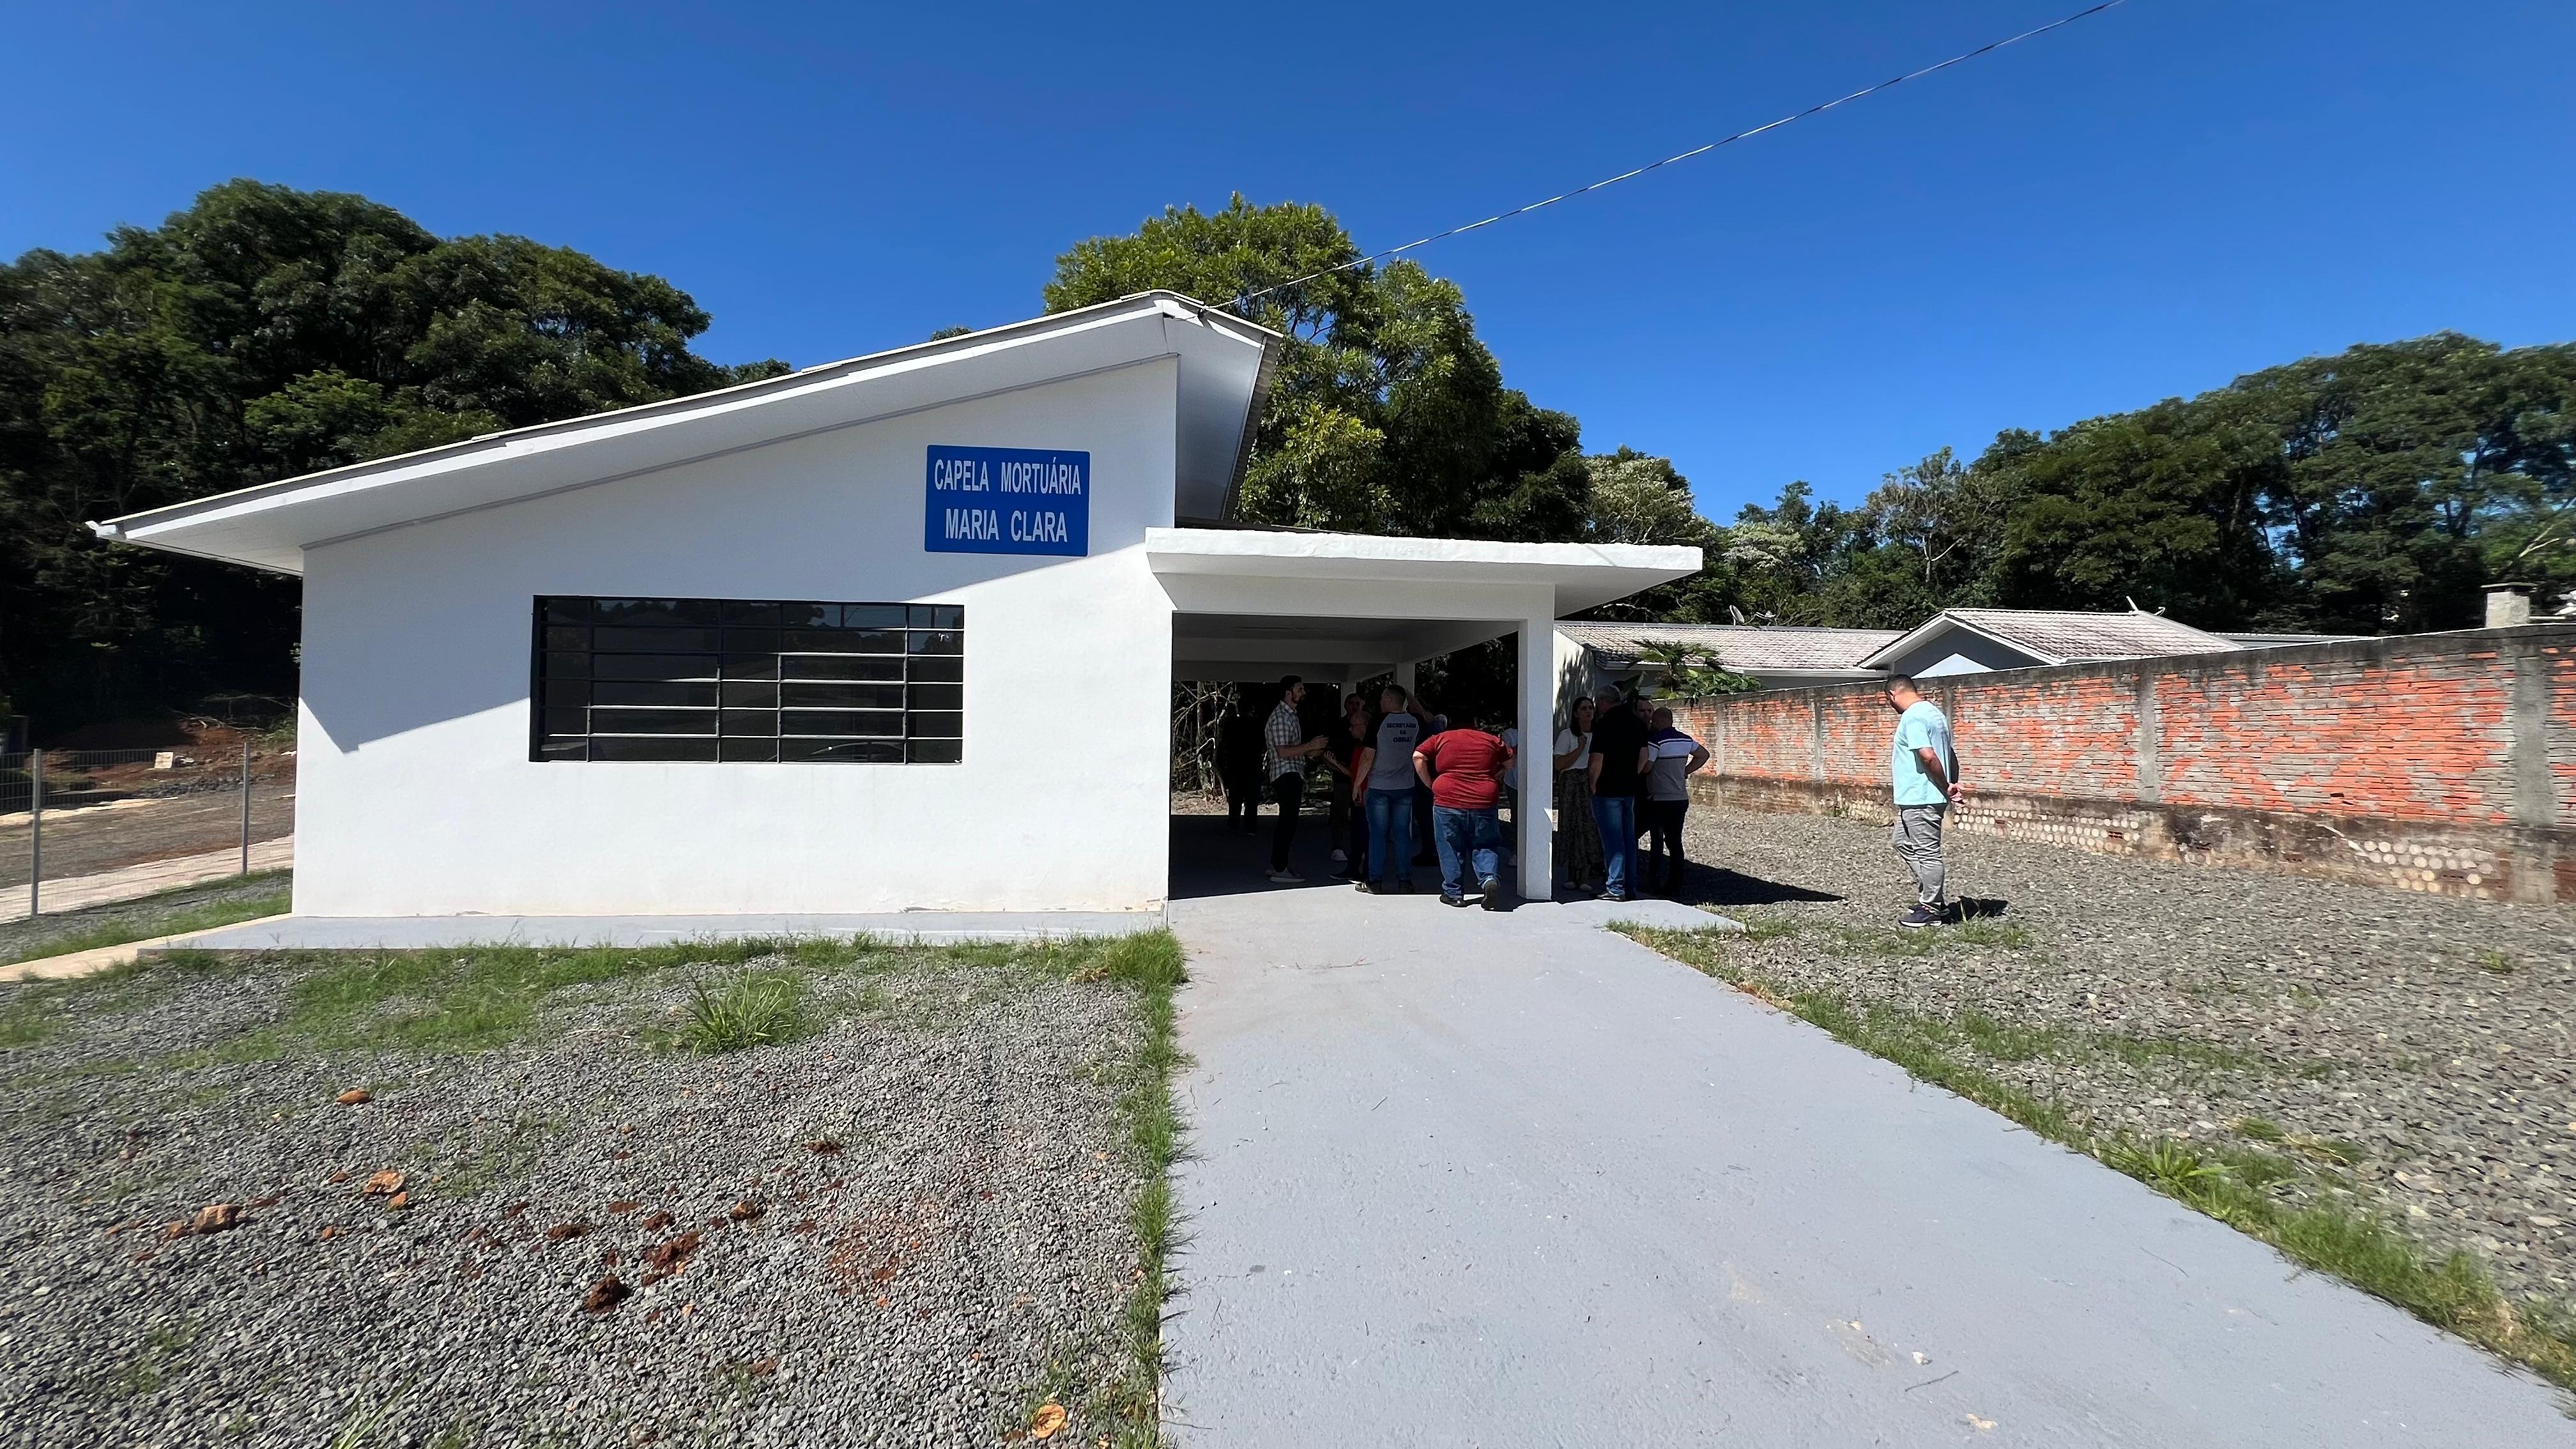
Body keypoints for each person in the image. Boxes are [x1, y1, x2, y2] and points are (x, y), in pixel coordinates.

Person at [1883, 674, 1963, 927]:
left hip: (1921, 796)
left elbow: (1928, 756)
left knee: (1928, 853)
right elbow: (1949, 754)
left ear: (1892, 695)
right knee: (1901, 842)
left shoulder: (1913, 717)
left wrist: (1946, 786)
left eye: (1889, 701)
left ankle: (1931, 909)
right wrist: (1952, 782)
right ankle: (1934, 898)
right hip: (1916, 797)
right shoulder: (1935, 714)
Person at [1414, 714, 1516, 909]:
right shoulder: (1490, 739)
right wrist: (1499, 772)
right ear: (1475, 723)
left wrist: (1430, 783)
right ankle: (1489, 879)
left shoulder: (1440, 738)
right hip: (1484, 800)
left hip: (1448, 799)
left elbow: (1418, 756)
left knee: (1450, 846)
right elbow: (1510, 761)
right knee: (1485, 843)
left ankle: (1454, 894)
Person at [1586, 686, 1652, 902]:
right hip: (1629, 788)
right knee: (1628, 839)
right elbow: (1645, 755)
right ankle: (1630, 886)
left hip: (1607, 789)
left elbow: (1597, 760)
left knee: (1612, 840)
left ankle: (1615, 887)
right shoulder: (1637, 723)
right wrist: (1633, 774)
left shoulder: (1604, 724)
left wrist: (1593, 784)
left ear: (1603, 702)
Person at [1356, 684, 1422, 893]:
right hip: (1405, 785)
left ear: (1389, 700)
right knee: (1402, 835)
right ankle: (1405, 881)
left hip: (1379, 785)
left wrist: (1358, 783)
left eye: (1382, 698)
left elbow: (1367, 756)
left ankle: (1374, 881)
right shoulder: (1414, 722)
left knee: (1377, 835)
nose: (1380, 702)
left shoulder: (1379, 721)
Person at [1262, 675, 1326, 883]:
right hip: (1286, 774)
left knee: (1288, 821)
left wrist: (1310, 751)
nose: (1303, 692)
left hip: (1292, 772)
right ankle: (1280, 868)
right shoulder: (1281, 717)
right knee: (1287, 822)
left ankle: (1278, 865)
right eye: (1300, 689)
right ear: (1288, 693)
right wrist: (1309, 746)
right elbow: (1282, 751)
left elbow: (1292, 749)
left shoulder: (1290, 715)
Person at [1641, 706, 1711, 896]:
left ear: (1659, 721)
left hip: (1659, 797)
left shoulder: (1655, 741)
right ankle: (1676, 882)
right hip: (1680, 797)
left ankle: (1654, 878)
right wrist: (1685, 771)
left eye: (1654, 720)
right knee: (1675, 841)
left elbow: (1648, 767)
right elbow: (1704, 754)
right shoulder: (1686, 740)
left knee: (1657, 840)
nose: (1652, 723)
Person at [1552, 696, 1605, 893]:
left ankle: (1585, 875)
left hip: (1590, 781)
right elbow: (1559, 764)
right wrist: (1580, 748)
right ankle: (1571, 875)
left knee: (1588, 828)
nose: (1588, 711)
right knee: (1570, 826)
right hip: (1570, 783)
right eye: (1583, 708)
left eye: (1590, 708)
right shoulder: (1567, 735)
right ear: (1576, 713)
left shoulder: (1599, 735)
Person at [1321, 707, 1373, 880]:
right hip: (1359, 798)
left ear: (1364, 727)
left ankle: (1368, 874)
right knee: (1357, 836)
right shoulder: (1358, 748)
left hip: (1369, 799)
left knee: (1367, 836)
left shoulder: (1371, 749)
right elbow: (1353, 773)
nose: (1350, 729)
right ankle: (1353, 868)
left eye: (1354, 725)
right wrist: (1335, 763)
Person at [1215, 699, 1263, 834]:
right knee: (1252, 798)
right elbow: (1262, 743)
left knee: (1235, 796)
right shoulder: (1257, 723)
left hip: (1235, 763)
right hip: (1253, 764)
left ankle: (1233, 823)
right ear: (1251, 708)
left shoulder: (1230, 722)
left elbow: (1225, 742)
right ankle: (1250, 827)